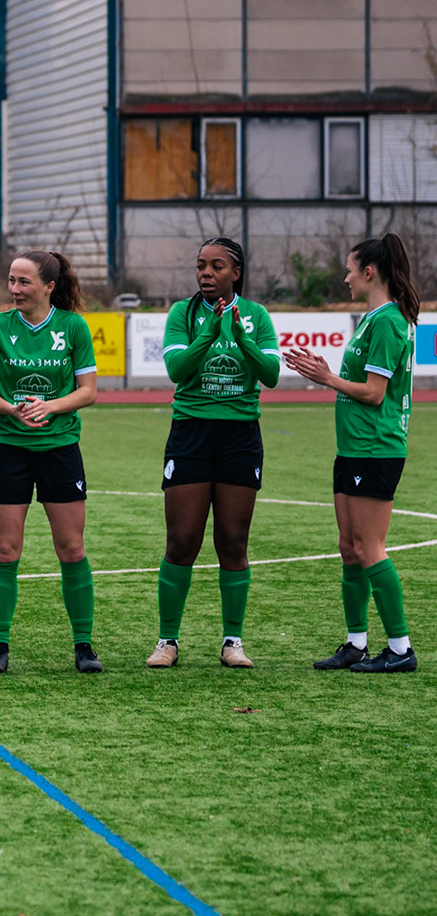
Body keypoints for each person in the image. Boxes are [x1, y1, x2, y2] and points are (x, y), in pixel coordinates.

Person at [287, 232, 420, 674]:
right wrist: (322, 373)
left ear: (369, 272)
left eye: (349, 269)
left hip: (375, 449)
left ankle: (400, 648)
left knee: (370, 547)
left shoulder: (387, 321)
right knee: (349, 547)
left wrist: (326, 378)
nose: (344, 278)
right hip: (353, 449)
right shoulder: (374, 318)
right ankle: (356, 643)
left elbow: (375, 393)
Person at [151, 237, 279, 670]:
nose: (206, 273)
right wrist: (208, 333)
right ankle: (168, 640)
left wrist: (242, 338)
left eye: (216, 266)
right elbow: (177, 371)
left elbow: (272, 375)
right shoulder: (182, 314)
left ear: (236, 273)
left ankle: (232, 641)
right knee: (182, 540)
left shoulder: (257, 316)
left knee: (232, 541)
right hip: (191, 434)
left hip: (240, 436)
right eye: (201, 266)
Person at [0, 250, 101, 675]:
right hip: (8, 447)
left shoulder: (72, 326)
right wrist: (12, 410)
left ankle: (84, 646)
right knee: (5, 550)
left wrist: (50, 407)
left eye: (23, 282)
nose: (14, 290)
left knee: (72, 548)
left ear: (49, 286)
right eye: (11, 281)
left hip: (60, 447)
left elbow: (87, 391)